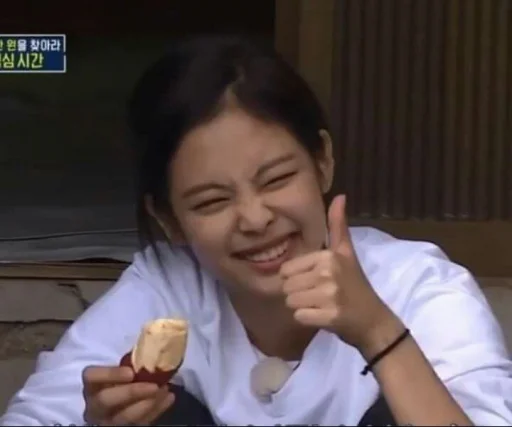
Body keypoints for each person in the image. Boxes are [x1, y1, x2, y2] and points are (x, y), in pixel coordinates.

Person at [1, 35, 511, 427]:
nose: (255, 219)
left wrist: (379, 332)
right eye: (212, 201)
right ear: (169, 219)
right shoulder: (165, 289)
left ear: (323, 162)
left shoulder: (419, 286)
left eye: (277, 179)